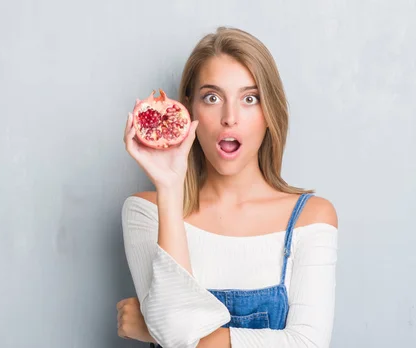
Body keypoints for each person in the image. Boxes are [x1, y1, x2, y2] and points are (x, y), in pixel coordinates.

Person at [117, 27, 338, 348]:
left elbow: (307, 344)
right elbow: (177, 329)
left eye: (250, 99)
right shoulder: (145, 211)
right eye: (212, 97)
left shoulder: (311, 218)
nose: (229, 118)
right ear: (190, 109)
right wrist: (169, 187)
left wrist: (153, 328)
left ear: (269, 113)